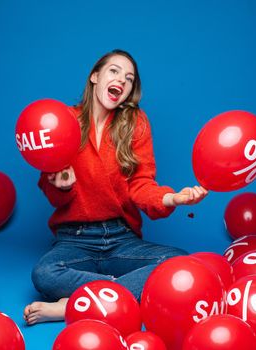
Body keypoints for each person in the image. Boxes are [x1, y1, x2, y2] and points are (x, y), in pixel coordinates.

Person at [23, 49, 208, 325]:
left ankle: (77, 304)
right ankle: (117, 295)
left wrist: (171, 198)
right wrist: (60, 186)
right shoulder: (63, 122)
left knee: (178, 263)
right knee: (45, 273)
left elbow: (141, 185)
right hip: (75, 238)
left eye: (129, 78)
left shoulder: (135, 123)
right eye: (114, 71)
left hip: (122, 238)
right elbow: (53, 194)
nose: (122, 80)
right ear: (95, 76)